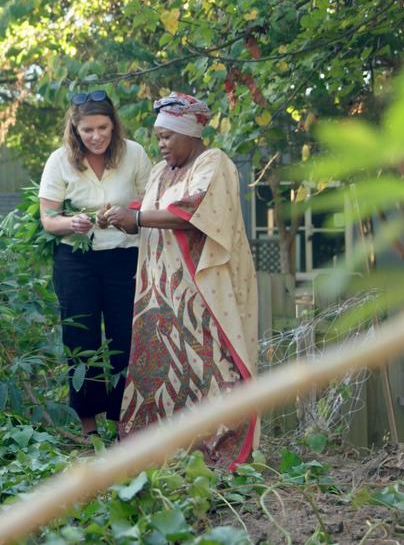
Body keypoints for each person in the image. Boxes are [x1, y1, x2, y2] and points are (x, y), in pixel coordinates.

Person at [100, 92, 258, 469]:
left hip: (203, 289)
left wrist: (135, 218)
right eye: (158, 138)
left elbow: (189, 210)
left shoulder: (213, 162)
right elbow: (152, 208)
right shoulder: (159, 170)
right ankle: (163, 451)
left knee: (212, 363)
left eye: (167, 137)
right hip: (159, 290)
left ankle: (218, 448)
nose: (161, 145)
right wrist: (121, 213)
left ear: (190, 134)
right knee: (163, 367)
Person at [38, 89, 152, 438]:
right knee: (81, 339)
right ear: (75, 129)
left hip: (124, 256)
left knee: (124, 338)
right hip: (76, 260)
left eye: (103, 127)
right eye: (88, 130)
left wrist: (126, 214)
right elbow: (48, 219)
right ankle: (89, 428)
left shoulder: (134, 154)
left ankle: (121, 426)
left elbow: (149, 201)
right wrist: (70, 223)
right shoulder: (60, 160)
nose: (97, 136)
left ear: (114, 125)